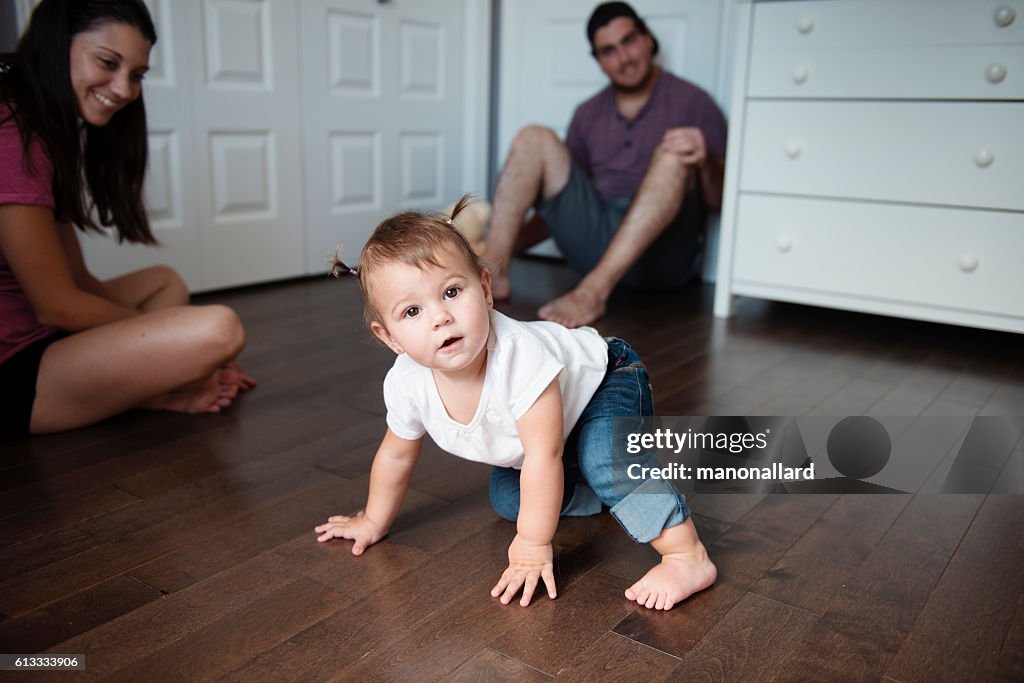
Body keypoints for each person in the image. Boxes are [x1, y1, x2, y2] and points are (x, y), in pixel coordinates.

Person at [313, 196, 716, 611]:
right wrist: (373, 520)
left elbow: (543, 455)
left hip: (605, 379)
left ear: (485, 289)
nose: (440, 317)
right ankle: (606, 491)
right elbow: (395, 457)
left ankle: (686, 555)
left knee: (604, 461)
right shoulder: (406, 383)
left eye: (451, 292)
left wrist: (532, 543)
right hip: (554, 430)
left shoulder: (519, 356)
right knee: (511, 502)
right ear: (390, 338)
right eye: (412, 310)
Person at [0, 0, 254, 439]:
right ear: (56, 46)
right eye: (107, 63)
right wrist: (181, 350)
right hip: (13, 374)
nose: (123, 90)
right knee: (218, 330)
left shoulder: (44, 132)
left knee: (164, 282)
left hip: (42, 338)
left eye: (136, 75)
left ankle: (160, 388)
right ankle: (168, 391)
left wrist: (168, 344)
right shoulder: (12, 135)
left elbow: (78, 282)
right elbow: (57, 304)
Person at [485, 1, 727, 329]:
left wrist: (707, 162)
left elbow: (720, 203)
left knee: (673, 155)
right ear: (599, 62)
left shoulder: (695, 103)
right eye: (609, 51)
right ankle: (491, 275)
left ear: (648, 39)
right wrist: (501, 246)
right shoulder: (587, 114)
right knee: (533, 138)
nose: (624, 58)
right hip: (597, 240)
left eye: (629, 41)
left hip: (663, 255)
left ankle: (592, 294)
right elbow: (560, 205)